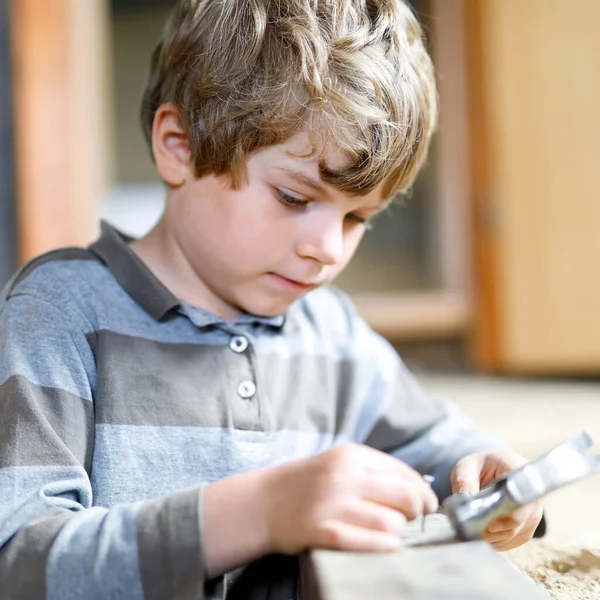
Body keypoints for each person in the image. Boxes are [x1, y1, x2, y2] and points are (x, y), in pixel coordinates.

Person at [0, 1, 543, 598]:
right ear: (178, 146)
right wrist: (256, 513)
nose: (327, 251)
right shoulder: (62, 313)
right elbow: (19, 563)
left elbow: (446, 451)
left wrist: (496, 479)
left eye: (360, 217)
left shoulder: (329, 332)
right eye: (293, 197)